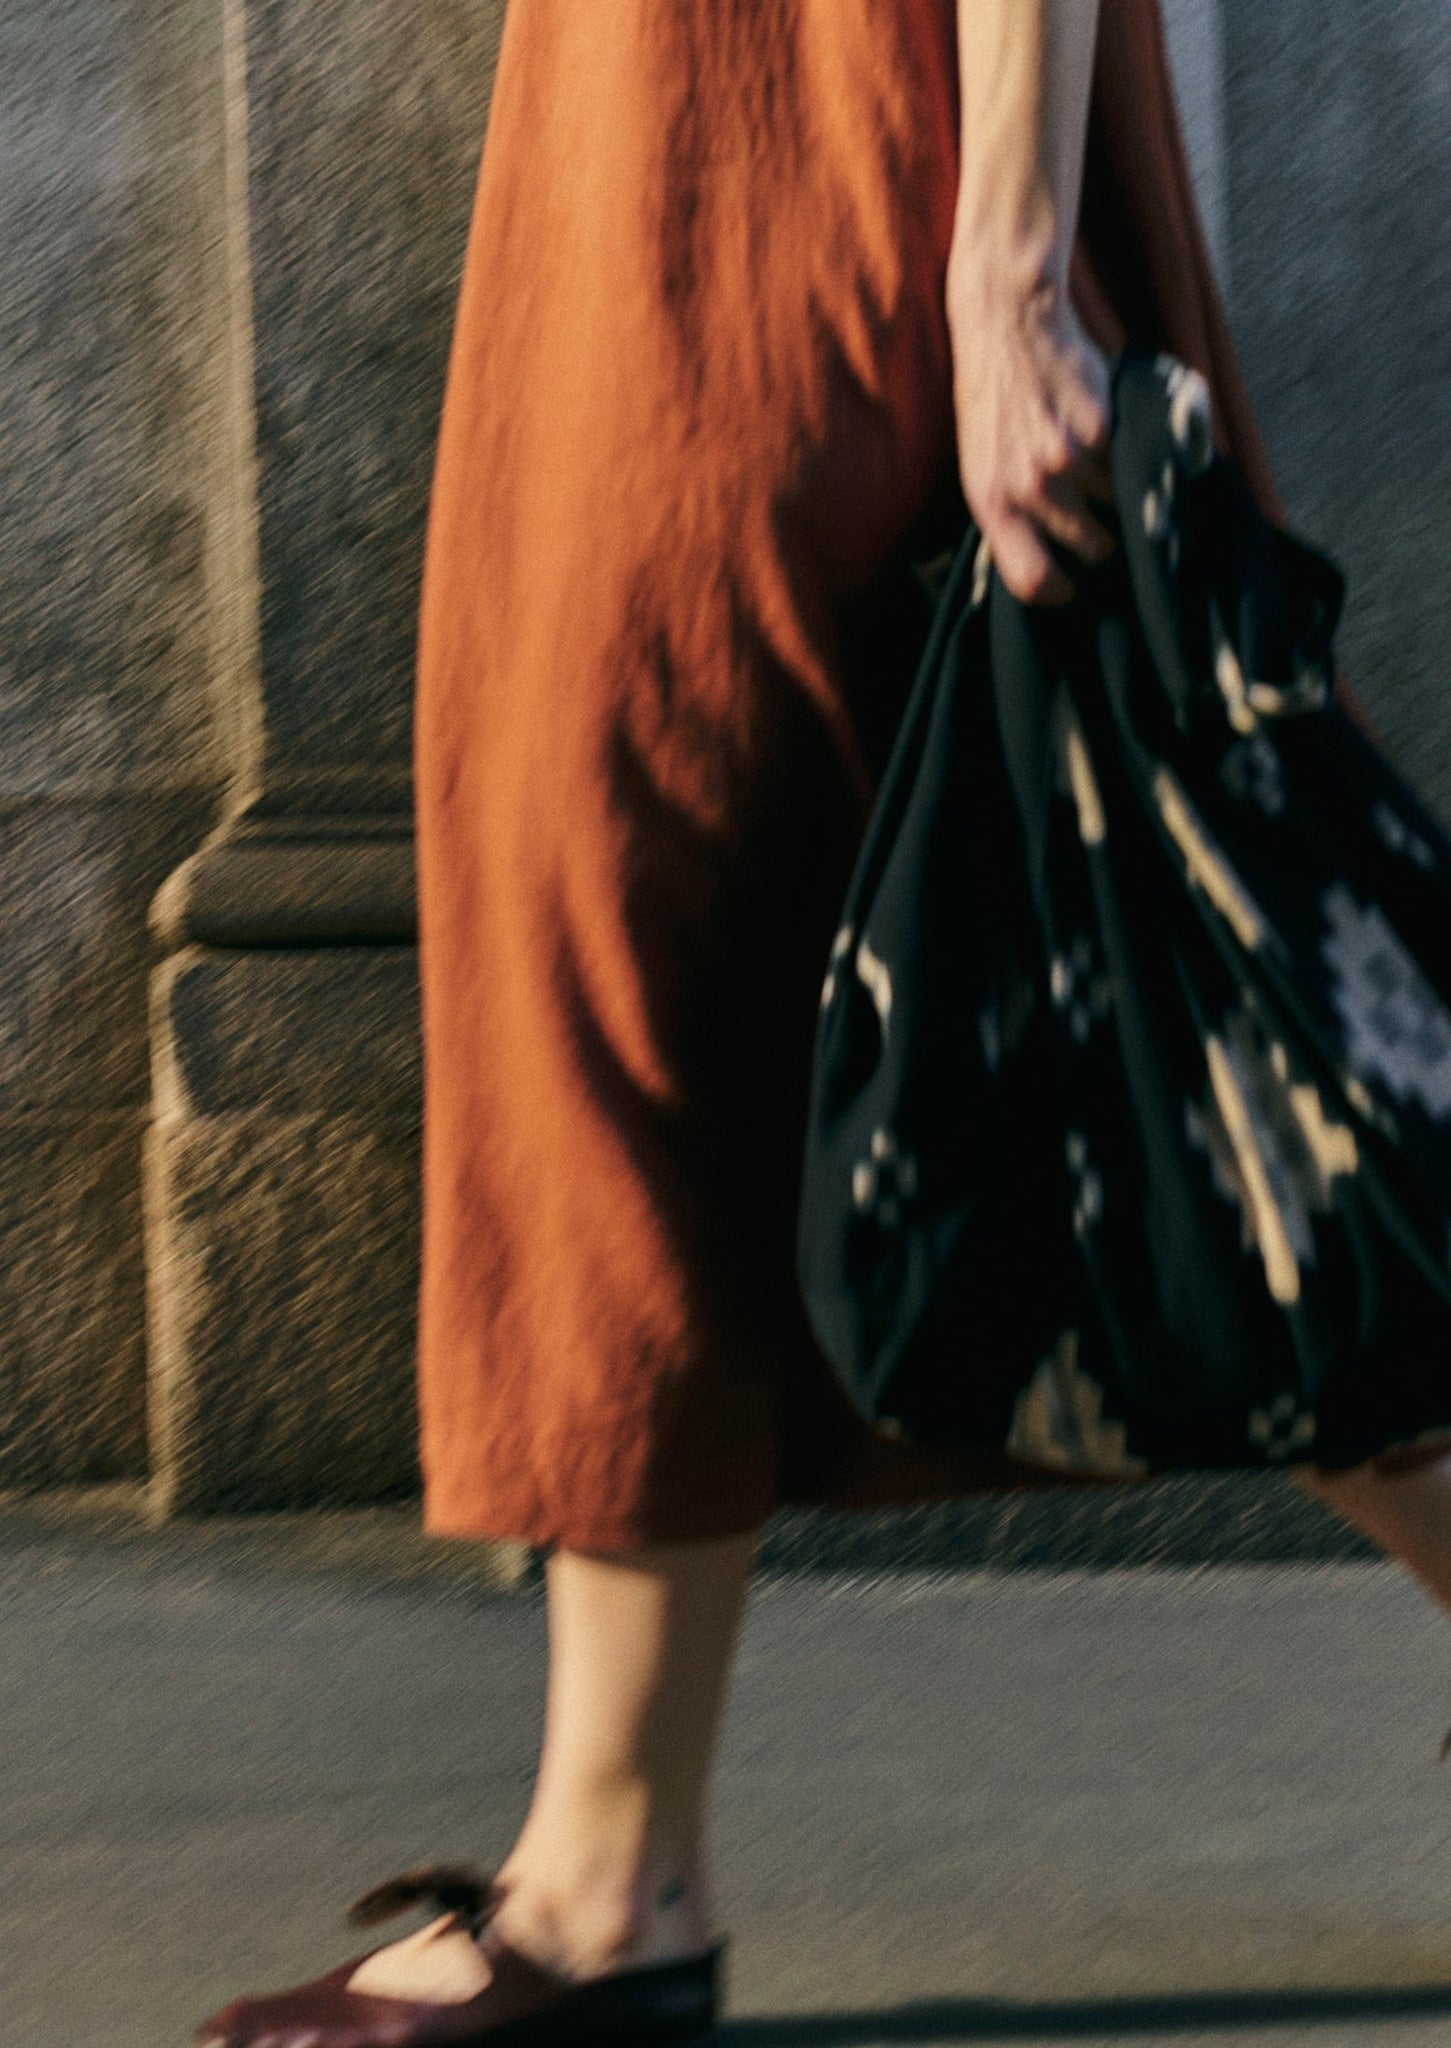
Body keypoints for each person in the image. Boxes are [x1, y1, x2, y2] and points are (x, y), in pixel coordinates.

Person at [196, 1, 1451, 2042]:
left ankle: (612, 1874)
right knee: (877, 940)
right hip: (673, 136)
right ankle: (613, 1860)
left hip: (835, 136)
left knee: (708, 897)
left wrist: (1005, 268)